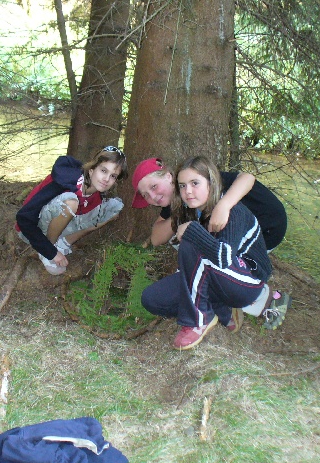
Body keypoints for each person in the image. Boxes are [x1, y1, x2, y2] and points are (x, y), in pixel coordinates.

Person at [141, 156, 290, 350]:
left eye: (195, 183)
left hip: (247, 279)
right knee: (151, 298)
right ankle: (220, 309)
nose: (188, 191)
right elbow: (159, 239)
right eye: (183, 186)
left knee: (192, 244)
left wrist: (192, 231)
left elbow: (223, 256)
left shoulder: (232, 209)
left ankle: (198, 320)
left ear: (211, 182)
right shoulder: (193, 212)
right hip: (217, 276)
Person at [131, 157, 287, 251]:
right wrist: (178, 214)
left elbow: (247, 178)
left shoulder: (195, 179)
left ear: (168, 176)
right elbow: (156, 238)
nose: (153, 196)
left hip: (268, 226)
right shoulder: (175, 199)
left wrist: (223, 205)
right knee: (183, 237)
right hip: (242, 232)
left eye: (154, 186)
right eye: (145, 195)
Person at [16, 146, 128, 275]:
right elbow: (23, 219)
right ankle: (48, 249)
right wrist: (50, 252)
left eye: (113, 176)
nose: (106, 179)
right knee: (71, 202)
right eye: (103, 171)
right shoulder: (64, 181)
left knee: (113, 209)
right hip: (32, 230)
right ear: (91, 170)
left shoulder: (97, 194)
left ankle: (63, 243)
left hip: (58, 227)